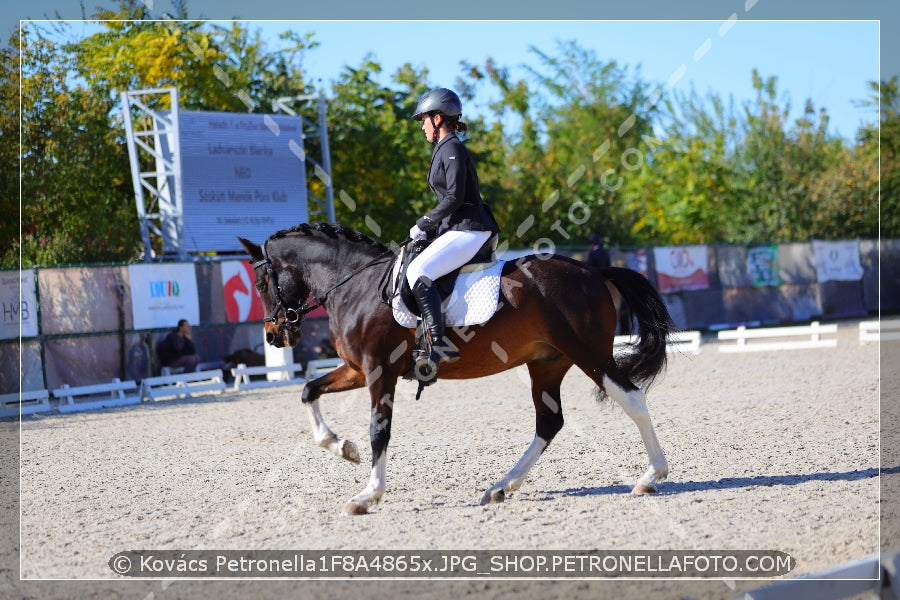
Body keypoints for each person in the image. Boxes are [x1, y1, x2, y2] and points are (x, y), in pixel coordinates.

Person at [407, 87, 501, 377]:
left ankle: (439, 344)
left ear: (437, 119)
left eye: (424, 119)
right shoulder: (443, 149)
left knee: (417, 272)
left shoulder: (452, 149)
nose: (422, 126)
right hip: (457, 227)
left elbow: (455, 198)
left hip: (471, 227)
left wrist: (425, 222)